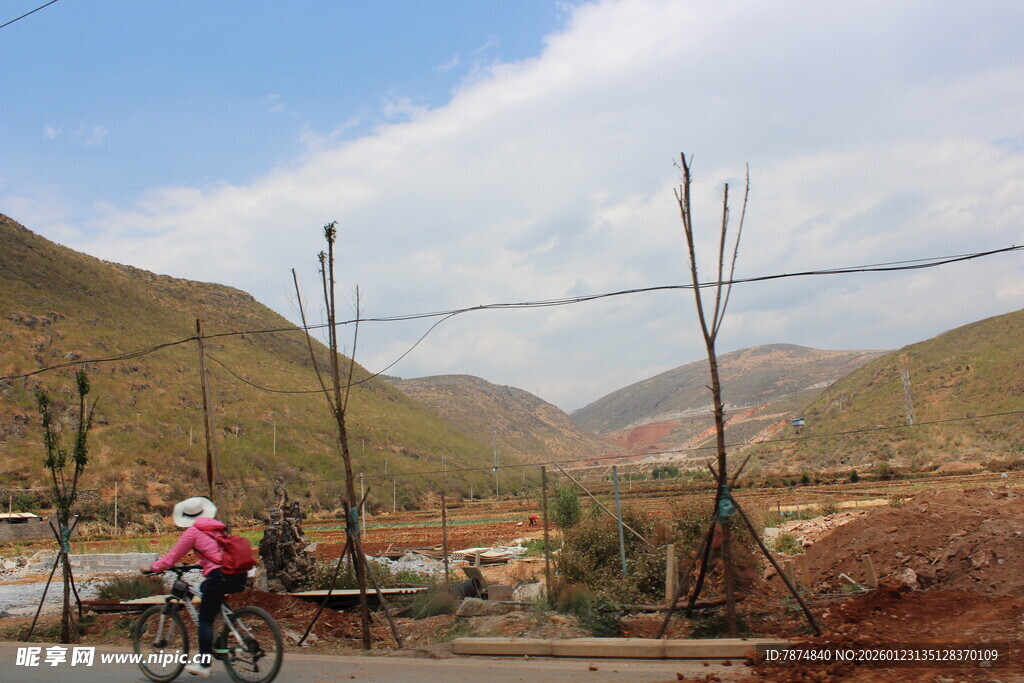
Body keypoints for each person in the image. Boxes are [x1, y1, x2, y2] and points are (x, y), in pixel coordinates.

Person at [142, 496, 246, 678]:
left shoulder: (193, 532)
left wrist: (153, 567)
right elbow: (215, 552)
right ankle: (227, 634)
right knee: (207, 591)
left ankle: (204, 665)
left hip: (218, 576)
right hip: (236, 573)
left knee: (204, 619)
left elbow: (172, 557)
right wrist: (200, 563)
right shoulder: (217, 527)